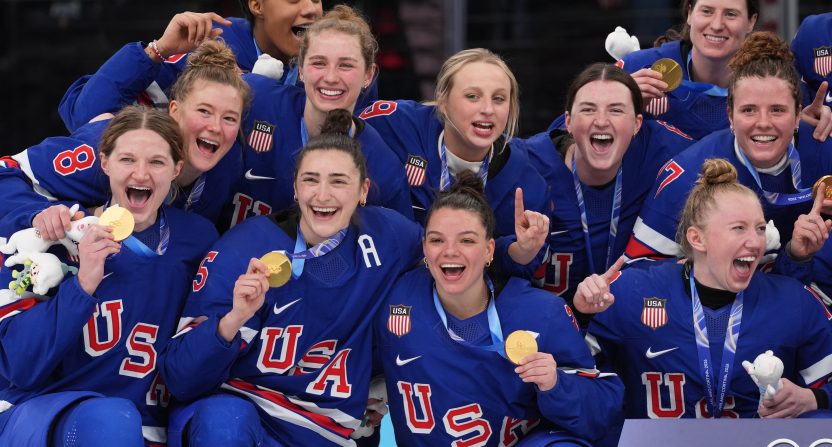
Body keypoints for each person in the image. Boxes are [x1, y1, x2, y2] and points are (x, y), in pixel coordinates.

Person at [158, 109, 424, 447]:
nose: (322, 195)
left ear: (363, 191)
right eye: (311, 179)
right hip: (243, 416)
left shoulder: (390, 237)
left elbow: (451, 267)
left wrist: (391, 374)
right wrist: (233, 319)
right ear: (295, 188)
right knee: (223, 422)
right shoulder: (244, 248)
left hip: (326, 431)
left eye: (339, 181)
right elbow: (180, 378)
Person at [0, 106, 219, 446]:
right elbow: (19, 365)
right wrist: (83, 283)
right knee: (112, 420)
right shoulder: (56, 231)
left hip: (144, 421)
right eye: (127, 160)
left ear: (177, 169)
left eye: (157, 162)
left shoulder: (199, 241)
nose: (141, 174)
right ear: (104, 162)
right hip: (45, 413)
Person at [375, 170, 623, 446]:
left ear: (490, 250)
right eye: (437, 240)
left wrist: (556, 384)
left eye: (467, 240)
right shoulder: (396, 298)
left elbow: (604, 409)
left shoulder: (541, 313)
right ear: (424, 248)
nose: (450, 251)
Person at [576, 158, 832, 420]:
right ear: (697, 238)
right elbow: (573, 374)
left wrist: (815, 397)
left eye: (760, 229)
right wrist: (582, 314)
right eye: (739, 228)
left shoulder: (793, 299)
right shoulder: (633, 290)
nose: (755, 242)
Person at [626, 32, 832, 273]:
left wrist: (797, 257)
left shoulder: (823, 152)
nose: (763, 122)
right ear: (730, 116)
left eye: (777, 110)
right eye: (749, 110)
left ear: (798, 115)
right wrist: (703, 275)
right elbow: (639, 270)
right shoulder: (690, 173)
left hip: (796, 299)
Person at [0, 39, 250, 230]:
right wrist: (43, 214)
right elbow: (7, 171)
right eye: (204, 111)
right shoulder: (116, 144)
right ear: (174, 110)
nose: (216, 127)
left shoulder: (228, 169)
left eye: (229, 118)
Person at [359, 48, 550, 275]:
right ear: (443, 100)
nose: (488, 109)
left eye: (499, 99)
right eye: (472, 96)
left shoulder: (527, 184)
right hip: (389, 277)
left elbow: (515, 273)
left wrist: (521, 252)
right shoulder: (395, 124)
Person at [515, 63, 694, 303]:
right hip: (546, 328)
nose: (601, 121)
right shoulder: (526, 164)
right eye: (588, 109)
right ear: (567, 121)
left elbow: (728, 154)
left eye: (616, 110)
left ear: (637, 124)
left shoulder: (662, 151)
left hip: (629, 322)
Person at [230, 5, 412, 228]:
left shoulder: (383, 168)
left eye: (345, 65)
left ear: (368, 75)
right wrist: (172, 47)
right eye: (319, 63)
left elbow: (400, 247)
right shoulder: (253, 99)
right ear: (301, 69)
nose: (331, 77)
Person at [58, 3, 323, 132]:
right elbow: (86, 117)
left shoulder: (336, 67)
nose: (311, 8)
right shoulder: (209, 45)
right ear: (257, 5)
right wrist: (158, 50)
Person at [616, 0, 758, 139]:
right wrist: (619, 106)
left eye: (731, 14)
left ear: (751, 21)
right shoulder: (634, 68)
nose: (716, 25)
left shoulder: (768, 88)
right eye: (707, 11)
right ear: (690, 13)